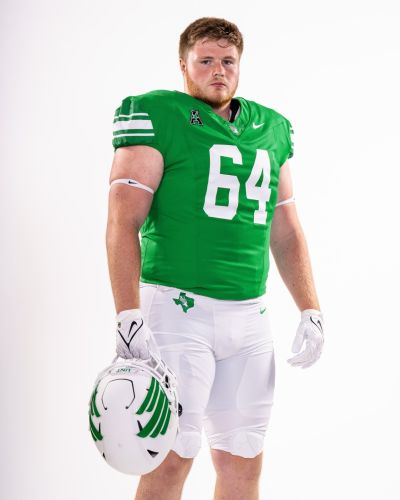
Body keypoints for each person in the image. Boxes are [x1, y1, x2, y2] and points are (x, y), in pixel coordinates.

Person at [106, 16, 324, 500]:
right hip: (177, 311)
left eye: (228, 61)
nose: (218, 70)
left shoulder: (271, 128)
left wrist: (310, 307)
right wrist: (127, 313)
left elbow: (286, 228)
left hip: (250, 318)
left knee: (243, 462)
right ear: (183, 65)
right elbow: (122, 220)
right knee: (169, 459)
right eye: (205, 60)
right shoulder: (158, 114)